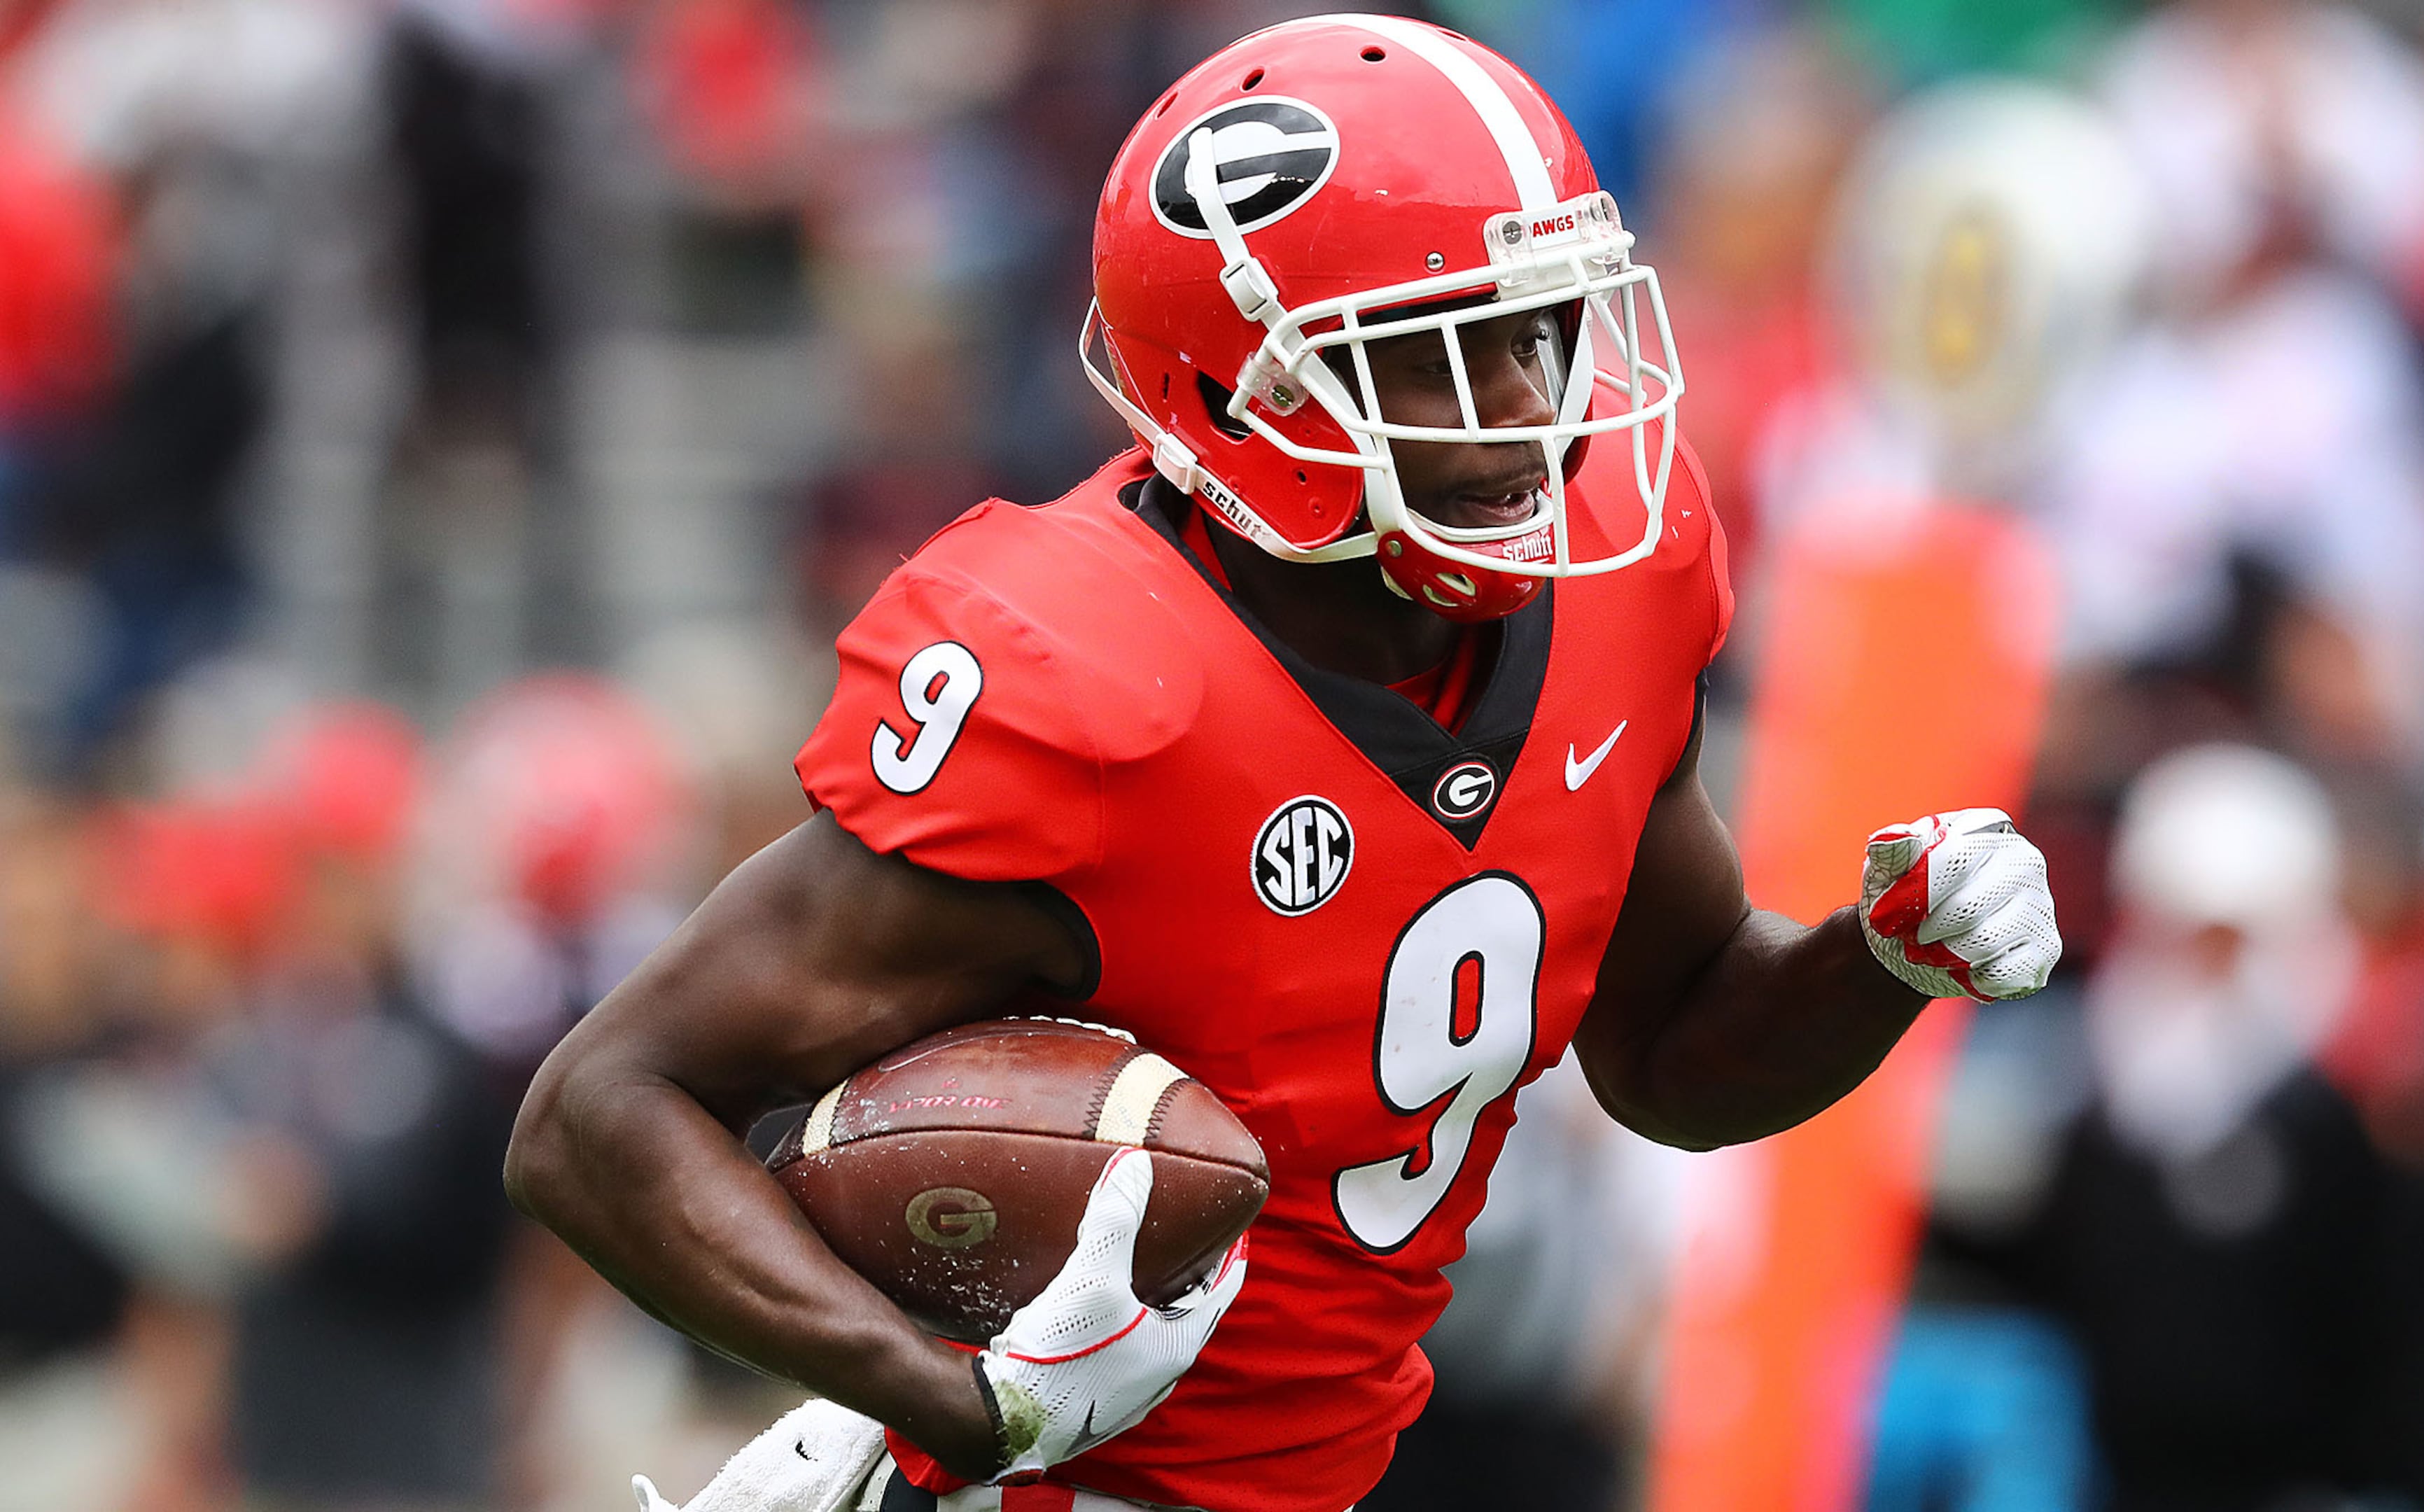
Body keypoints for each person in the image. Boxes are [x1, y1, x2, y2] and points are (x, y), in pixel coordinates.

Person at [503, 15, 2062, 1512]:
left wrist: (1881, 963)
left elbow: (1670, 1052)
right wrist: (951, 1395)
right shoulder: (1089, 686)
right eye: (1451, 356)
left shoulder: (1619, 571)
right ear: (1254, 391)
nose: (1534, 413)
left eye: (1542, 330)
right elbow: (600, 1111)